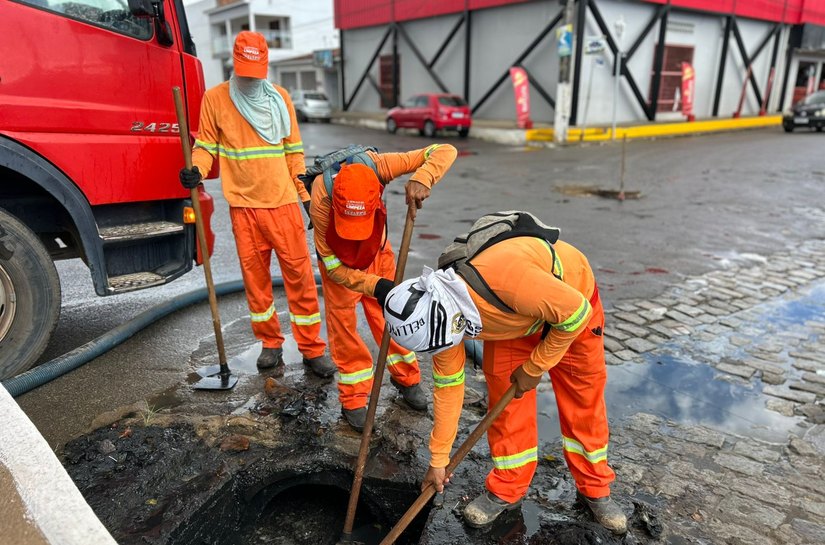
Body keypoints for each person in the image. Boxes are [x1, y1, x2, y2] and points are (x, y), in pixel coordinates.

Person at [379, 215, 627, 534]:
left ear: (449, 319)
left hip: (572, 300)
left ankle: (595, 489)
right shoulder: (438, 321)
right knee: (505, 405)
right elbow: (449, 390)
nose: (444, 352)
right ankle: (507, 487)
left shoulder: (507, 278)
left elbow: (574, 312)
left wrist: (535, 366)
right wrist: (438, 460)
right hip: (513, 322)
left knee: (584, 400)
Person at [179, 31, 334, 378]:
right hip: (244, 209)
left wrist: (306, 198)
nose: (251, 77)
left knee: (300, 280)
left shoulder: (280, 99)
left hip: (282, 205)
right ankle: (270, 343)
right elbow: (205, 146)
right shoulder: (216, 99)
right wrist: (196, 169)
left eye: (257, 70)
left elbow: (294, 153)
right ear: (236, 64)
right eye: (245, 69)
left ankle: (311, 348)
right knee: (256, 282)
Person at [306, 144, 457, 431]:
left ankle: (407, 378)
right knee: (344, 330)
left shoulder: (381, 166)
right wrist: (373, 285)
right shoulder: (321, 196)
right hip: (340, 263)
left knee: (393, 317)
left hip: (377, 253)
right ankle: (353, 399)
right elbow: (335, 269)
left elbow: (443, 150)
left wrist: (424, 176)